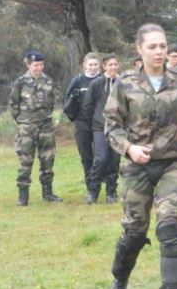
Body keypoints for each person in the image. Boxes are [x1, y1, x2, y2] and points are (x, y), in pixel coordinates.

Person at [104, 24, 177, 289]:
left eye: (163, 46)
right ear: (139, 50)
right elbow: (111, 127)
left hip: (173, 164)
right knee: (134, 234)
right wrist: (129, 149)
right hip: (137, 167)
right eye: (152, 46)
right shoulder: (124, 84)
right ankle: (120, 279)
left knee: (169, 226)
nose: (159, 51)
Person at [8, 50, 63, 206]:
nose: (39, 68)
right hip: (27, 127)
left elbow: (51, 103)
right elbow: (13, 104)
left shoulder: (48, 81)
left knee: (48, 160)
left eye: (41, 64)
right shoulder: (21, 82)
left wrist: (45, 117)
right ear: (28, 65)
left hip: (46, 126)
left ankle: (48, 192)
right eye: (35, 65)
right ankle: (23, 195)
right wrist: (23, 121)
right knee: (25, 161)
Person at [82, 54, 121, 204]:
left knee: (114, 160)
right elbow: (88, 106)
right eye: (109, 65)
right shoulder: (97, 83)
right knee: (101, 158)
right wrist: (96, 120)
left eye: (115, 64)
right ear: (104, 67)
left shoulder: (123, 83)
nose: (112, 67)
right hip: (99, 127)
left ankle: (111, 192)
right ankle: (93, 191)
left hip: (118, 128)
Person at [64, 52, 102, 184]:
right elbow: (68, 100)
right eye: (90, 64)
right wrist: (72, 117)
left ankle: (102, 179)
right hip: (82, 122)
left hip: (100, 122)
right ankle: (89, 181)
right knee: (85, 154)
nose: (93, 67)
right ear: (84, 65)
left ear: (100, 65)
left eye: (95, 64)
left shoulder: (104, 79)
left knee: (101, 154)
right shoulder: (78, 80)